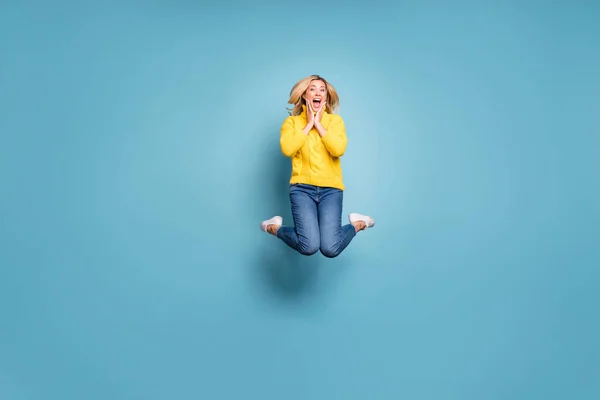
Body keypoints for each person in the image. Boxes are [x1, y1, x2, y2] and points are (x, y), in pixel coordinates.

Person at [260, 75, 375, 258]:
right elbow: (288, 149)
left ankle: (358, 224)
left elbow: (338, 149)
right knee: (309, 246)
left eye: (322, 90)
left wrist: (319, 125)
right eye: (313, 89)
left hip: (331, 190)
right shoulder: (292, 123)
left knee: (330, 248)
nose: (318, 93)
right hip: (301, 189)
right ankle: (273, 227)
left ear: (326, 97)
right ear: (305, 94)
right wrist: (308, 125)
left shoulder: (335, 122)